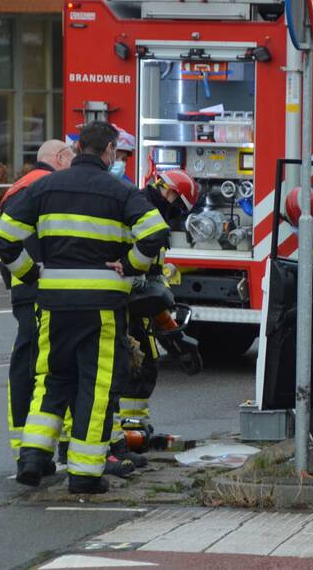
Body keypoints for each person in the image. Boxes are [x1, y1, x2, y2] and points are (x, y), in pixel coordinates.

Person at [0, 121, 170, 494]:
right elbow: (156, 232)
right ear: (108, 150)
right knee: (96, 385)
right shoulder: (119, 190)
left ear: (76, 151)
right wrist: (131, 263)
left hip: (54, 303)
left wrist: (31, 274)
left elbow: (4, 238)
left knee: (52, 379)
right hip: (101, 306)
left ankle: (32, 457)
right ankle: (85, 474)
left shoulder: (43, 186)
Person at [110, 169, 200, 468]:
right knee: (134, 366)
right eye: (178, 207)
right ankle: (126, 432)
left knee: (142, 363)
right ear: (171, 193)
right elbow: (134, 267)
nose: (176, 214)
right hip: (122, 302)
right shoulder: (143, 212)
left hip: (134, 304)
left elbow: (153, 273)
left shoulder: (146, 211)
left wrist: (170, 329)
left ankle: (132, 428)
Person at [1, 140, 75, 480]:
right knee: (41, 366)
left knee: (36, 363)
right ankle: (32, 453)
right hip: (40, 289)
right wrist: (34, 276)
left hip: (26, 288)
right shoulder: (42, 187)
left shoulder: (22, 186)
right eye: (71, 159)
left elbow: (9, 243)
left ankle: (33, 451)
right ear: (59, 158)